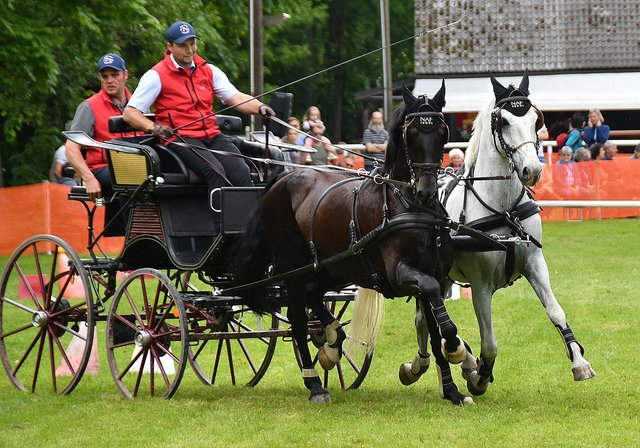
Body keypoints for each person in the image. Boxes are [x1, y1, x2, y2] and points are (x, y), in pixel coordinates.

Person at [122, 21, 275, 203]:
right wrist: (153, 127)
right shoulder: (156, 75)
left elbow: (237, 98)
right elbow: (130, 113)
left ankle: (247, 226)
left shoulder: (209, 71)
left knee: (241, 170)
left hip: (211, 135)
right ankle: (220, 230)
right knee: (215, 171)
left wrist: (260, 107)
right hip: (181, 138)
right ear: (170, 47)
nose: (189, 50)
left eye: (192, 43)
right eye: (182, 45)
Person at [65, 53, 135, 201]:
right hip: (102, 169)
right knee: (129, 179)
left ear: (125, 75)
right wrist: (89, 179)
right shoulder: (89, 107)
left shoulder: (138, 105)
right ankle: (133, 224)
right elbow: (71, 148)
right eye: (105, 76)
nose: (110, 80)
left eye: (115, 75)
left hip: (135, 168)